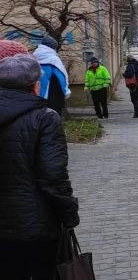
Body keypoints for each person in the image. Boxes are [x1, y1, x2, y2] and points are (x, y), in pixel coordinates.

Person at [0, 54, 80, 280]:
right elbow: (53, 176)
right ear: (35, 85)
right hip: (35, 225)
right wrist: (69, 214)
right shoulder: (44, 118)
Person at [33, 36, 71, 115]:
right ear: (53, 47)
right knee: (52, 119)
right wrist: (65, 92)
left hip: (35, 96)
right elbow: (61, 77)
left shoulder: (33, 57)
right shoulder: (53, 59)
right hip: (52, 95)